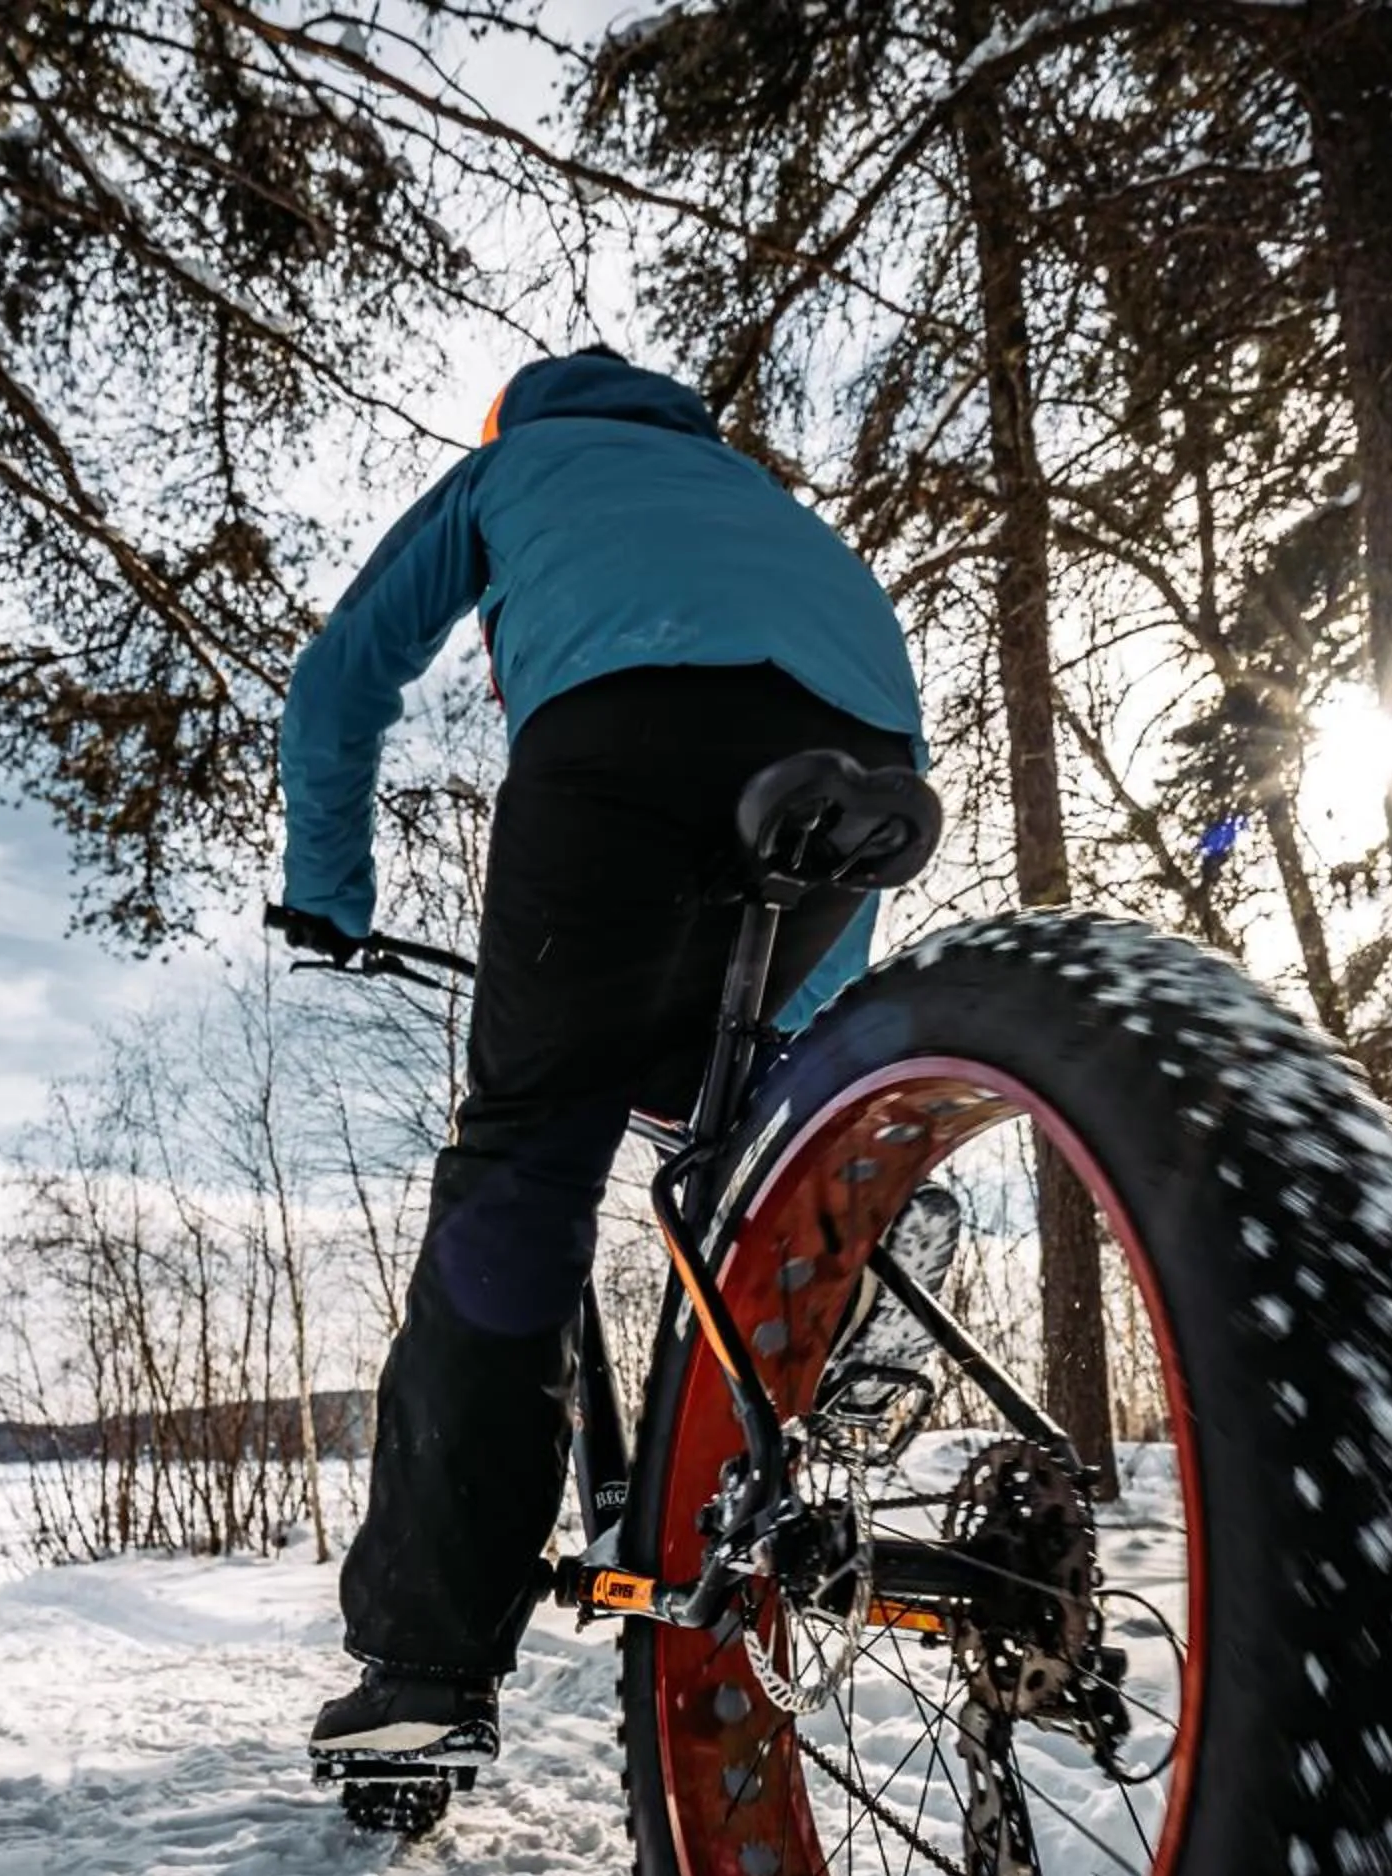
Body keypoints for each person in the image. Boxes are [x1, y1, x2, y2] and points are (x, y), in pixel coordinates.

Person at [270, 346, 923, 1767]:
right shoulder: (758, 496)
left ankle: (425, 1667)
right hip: (868, 759)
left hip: (620, 748)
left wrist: (331, 895)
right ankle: (859, 1234)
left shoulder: (515, 464)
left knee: (526, 1164)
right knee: (764, 1139)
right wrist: (824, 1072)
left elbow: (338, 686)